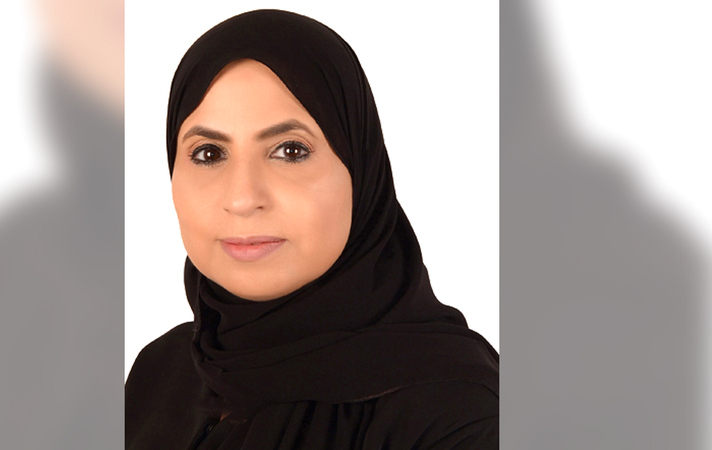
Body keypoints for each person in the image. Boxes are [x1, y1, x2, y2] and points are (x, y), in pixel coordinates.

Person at [125, 10, 498, 449]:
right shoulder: (161, 372)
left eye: (290, 151)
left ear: (360, 171)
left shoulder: (456, 417)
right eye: (208, 153)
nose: (242, 198)